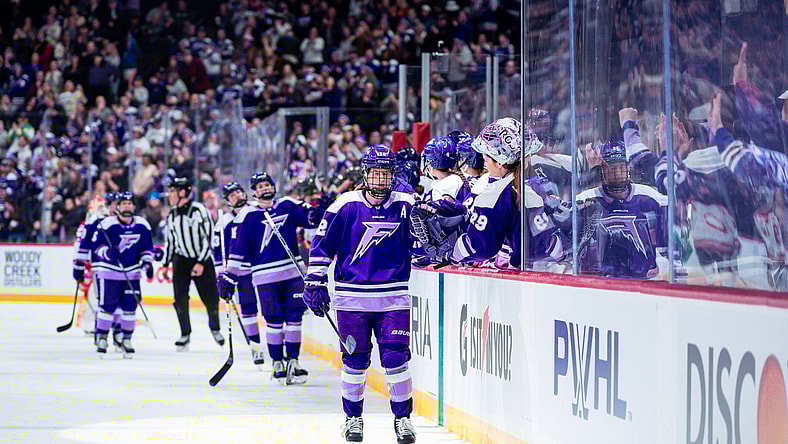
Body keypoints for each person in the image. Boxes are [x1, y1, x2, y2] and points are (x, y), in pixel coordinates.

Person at [303, 146, 417, 443]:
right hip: (352, 298)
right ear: (365, 174)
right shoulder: (344, 205)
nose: (380, 181)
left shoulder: (407, 203)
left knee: (395, 359)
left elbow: (423, 239)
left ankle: (402, 419)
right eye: (375, 174)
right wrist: (315, 282)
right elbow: (322, 247)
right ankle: (353, 419)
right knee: (355, 360)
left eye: (386, 174)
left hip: (394, 297)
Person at [224, 172, 328, 384]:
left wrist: (319, 211)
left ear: (273, 186)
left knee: (295, 319)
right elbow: (238, 249)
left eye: (267, 184)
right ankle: (277, 362)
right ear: (254, 192)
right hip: (265, 278)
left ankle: (293, 361)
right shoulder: (247, 215)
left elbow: (309, 219)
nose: (264, 189)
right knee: (273, 320)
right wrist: (229, 276)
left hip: (292, 274)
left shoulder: (287, 205)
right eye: (260, 186)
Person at [576, 142, 668, 278]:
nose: (618, 172)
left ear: (628, 167)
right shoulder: (586, 199)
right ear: (602, 169)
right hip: (602, 282)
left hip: (645, 279)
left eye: (621, 167)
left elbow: (665, 244)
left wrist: (662, 267)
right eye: (612, 168)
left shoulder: (651, 197)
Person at [162, 177, 224, 351]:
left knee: (210, 297)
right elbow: (171, 241)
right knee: (180, 298)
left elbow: (209, 238)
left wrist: (201, 262)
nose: (169, 195)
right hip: (181, 260)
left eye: (173, 191)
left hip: (201, 259)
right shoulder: (172, 213)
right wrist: (166, 264)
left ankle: (215, 328)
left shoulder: (199, 210)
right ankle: (185, 333)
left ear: (183, 192)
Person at [90, 192, 154, 358]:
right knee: (107, 307)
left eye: (130, 203)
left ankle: (126, 339)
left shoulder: (142, 225)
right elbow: (97, 247)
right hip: (109, 273)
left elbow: (147, 248)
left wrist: (147, 263)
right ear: (117, 207)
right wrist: (108, 253)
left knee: (129, 308)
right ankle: (102, 337)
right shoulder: (106, 224)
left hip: (132, 274)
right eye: (123, 203)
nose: (127, 206)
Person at [213, 181, 264, 368]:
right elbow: (218, 252)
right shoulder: (224, 222)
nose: (237, 196)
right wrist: (222, 278)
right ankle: (256, 346)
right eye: (232, 195)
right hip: (241, 274)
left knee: (270, 309)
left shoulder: (256, 212)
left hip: (263, 269)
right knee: (249, 309)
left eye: (239, 192)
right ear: (227, 201)